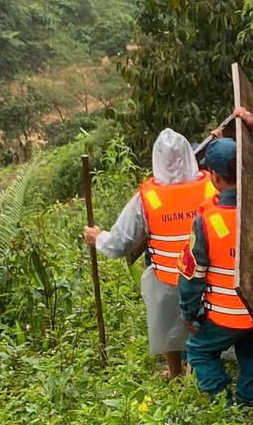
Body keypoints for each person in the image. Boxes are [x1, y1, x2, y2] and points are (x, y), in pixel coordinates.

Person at [177, 107, 253, 407]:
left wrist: (189, 313)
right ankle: (251, 402)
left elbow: (192, 277)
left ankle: (220, 402)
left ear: (213, 178)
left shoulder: (205, 221)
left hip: (223, 316)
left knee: (199, 350)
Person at [85, 129, 214, 380]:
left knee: (168, 323)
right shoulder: (211, 186)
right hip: (208, 278)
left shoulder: (147, 198)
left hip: (167, 279)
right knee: (203, 325)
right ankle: (197, 371)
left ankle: (176, 372)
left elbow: (120, 242)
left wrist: (98, 237)